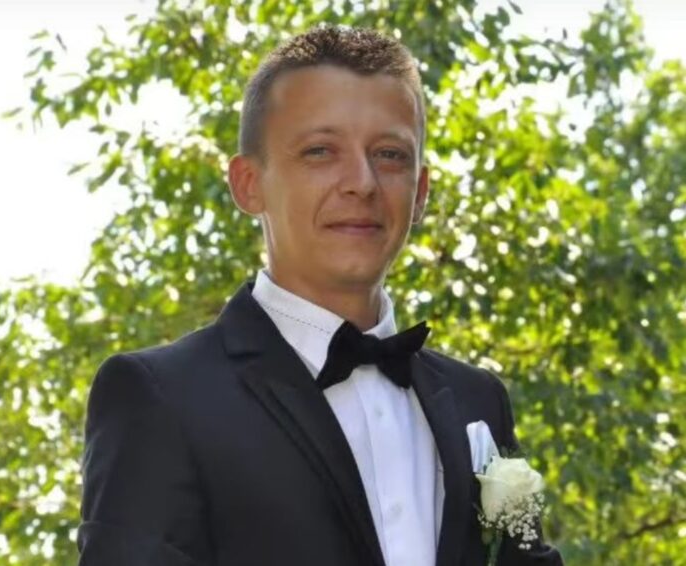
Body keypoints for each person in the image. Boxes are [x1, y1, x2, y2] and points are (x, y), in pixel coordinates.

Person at [77, 25, 563, 566]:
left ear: (421, 191)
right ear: (248, 184)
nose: (362, 182)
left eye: (390, 154)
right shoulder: (161, 397)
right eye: (320, 151)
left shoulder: (479, 400)